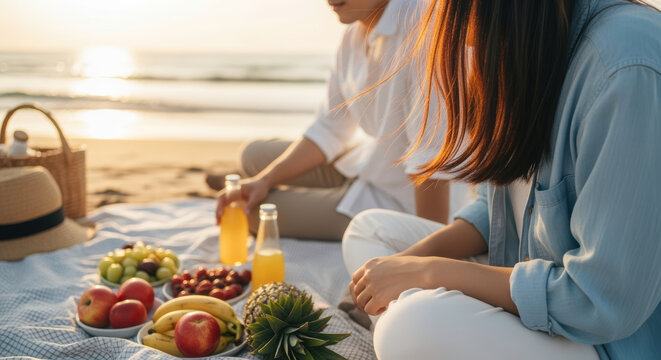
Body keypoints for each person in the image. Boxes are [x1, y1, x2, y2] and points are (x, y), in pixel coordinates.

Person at [344, 0, 661, 358]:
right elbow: (498, 213)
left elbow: (600, 302)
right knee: (369, 233)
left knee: (411, 326)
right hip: (525, 277)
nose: (461, 34)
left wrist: (430, 273)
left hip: (603, 341)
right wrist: (407, 263)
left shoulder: (626, 67)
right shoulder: (534, 39)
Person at [211, 0, 473, 241]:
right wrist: (264, 180)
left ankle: (247, 185)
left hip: (397, 199)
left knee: (250, 214)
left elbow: (431, 162)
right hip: (364, 162)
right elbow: (329, 129)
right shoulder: (354, 32)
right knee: (252, 155)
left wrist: (426, 247)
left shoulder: (427, 28)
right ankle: (255, 180)